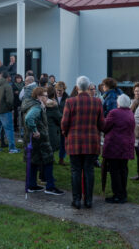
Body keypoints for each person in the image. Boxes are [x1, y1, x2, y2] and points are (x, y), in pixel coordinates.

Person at [61, 76, 103, 209]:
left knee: (75, 171)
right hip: (91, 142)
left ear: (77, 87)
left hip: (75, 141)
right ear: (88, 86)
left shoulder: (70, 101)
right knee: (89, 170)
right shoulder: (97, 102)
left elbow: (64, 123)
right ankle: (88, 200)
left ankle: (77, 200)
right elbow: (102, 124)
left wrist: (66, 133)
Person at [23, 87, 64, 195]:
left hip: (32, 139)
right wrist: (35, 131)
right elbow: (29, 118)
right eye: (44, 96)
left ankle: (31, 185)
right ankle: (50, 187)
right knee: (49, 160)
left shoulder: (30, 103)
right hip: (40, 139)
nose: (46, 98)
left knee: (33, 161)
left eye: (46, 95)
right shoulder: (37, 107)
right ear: (38, 97)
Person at [101, 94, 135, 204]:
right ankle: (123, 193)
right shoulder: (130, 113)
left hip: (115, 146)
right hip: (126, 146)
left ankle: (117, 195)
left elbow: (105, 127)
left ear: (118, 103)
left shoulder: (114, 113)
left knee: (114, 171)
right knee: (123, 170)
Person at [0, 71, 20, 153]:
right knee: (9, 129)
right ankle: (12, 148)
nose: (11, 78)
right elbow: (10, 100)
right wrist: (10, 108)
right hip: (5, 111)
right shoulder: (7, 86)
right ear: (8, 77)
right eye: (10, 77)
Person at [55, 81, 68, 166]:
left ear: (64, 90)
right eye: (57, 90)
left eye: (61, 90)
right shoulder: (52, 97)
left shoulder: (67, 98)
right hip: (54, 123)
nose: (59, 92)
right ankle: (50, 158)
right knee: (52, 141)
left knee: (63, 142)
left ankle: (61, 159)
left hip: (63, 122)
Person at [45, 86, 62, 155]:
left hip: (45, 127)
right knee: (51, 147)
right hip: (52, 129)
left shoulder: (44, 103)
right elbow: (59, 118)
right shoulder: (53, 105)